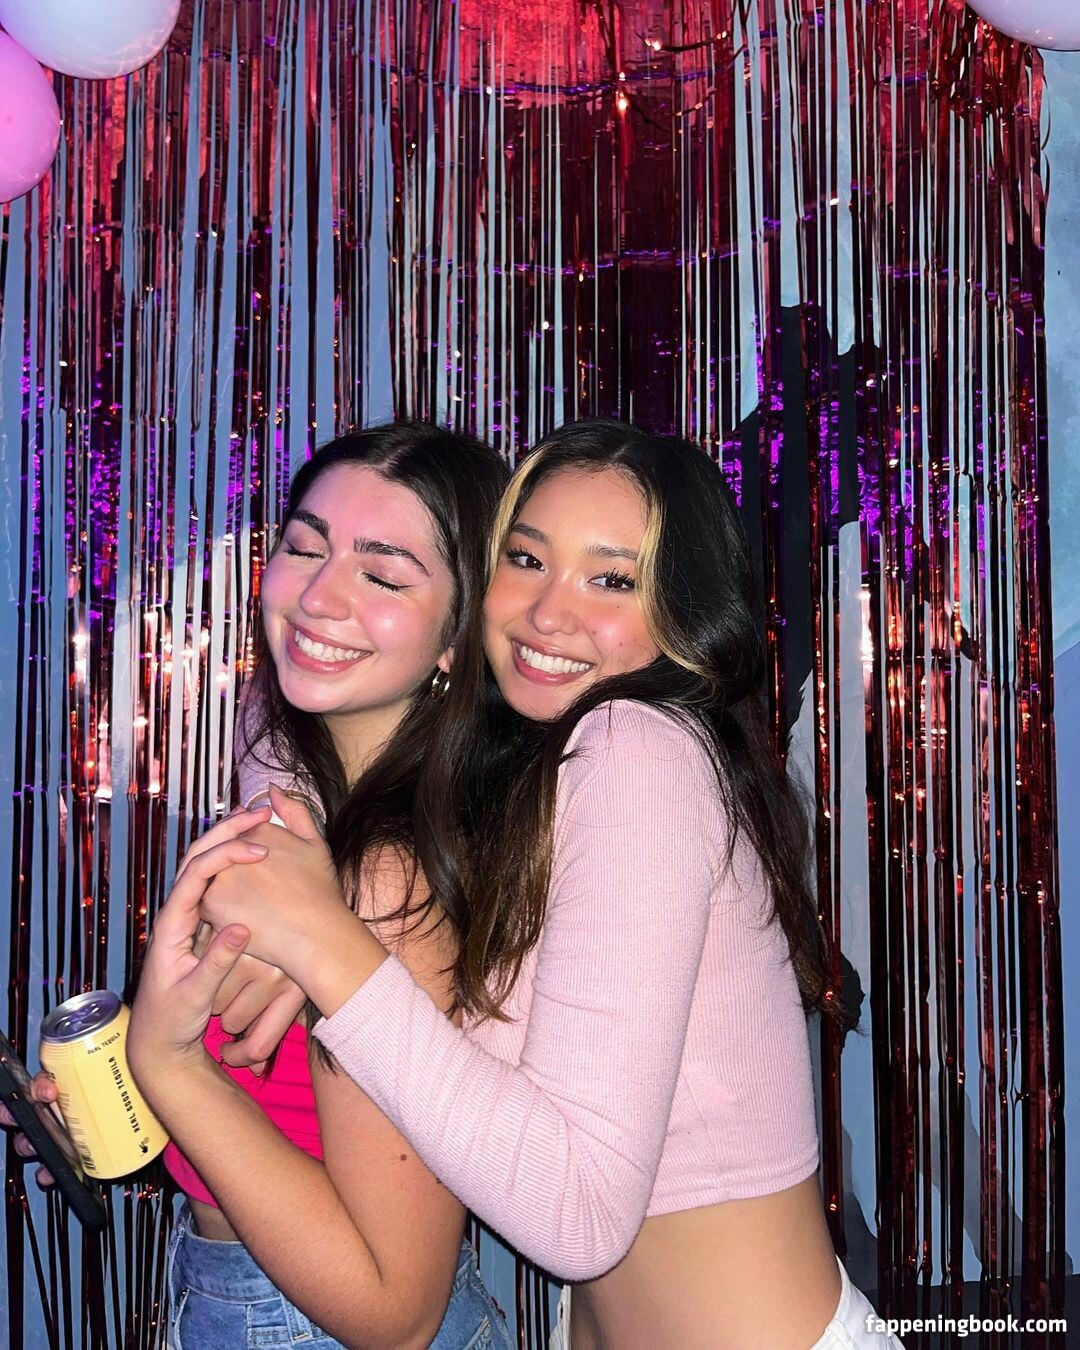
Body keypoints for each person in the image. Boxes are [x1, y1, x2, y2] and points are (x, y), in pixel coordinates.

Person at [178, 418, 902, 1349]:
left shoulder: (639, 746)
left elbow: (579, 1219)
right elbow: (283, 719)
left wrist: (321, 942)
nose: (549, 614)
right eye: (526, 560)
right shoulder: (524, 760)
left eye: (612, 579)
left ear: (684, 612)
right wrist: (284, 839)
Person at [124, 422, 516, 1350]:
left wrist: (166, 1064)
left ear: (457, 638)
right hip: (241, 1292)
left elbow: (395, 1309)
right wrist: (126, 1095)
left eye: (383, 576)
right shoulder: (306, 810)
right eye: (305, 547)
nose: (318, 596)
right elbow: (272, 1111)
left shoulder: (387, 879)